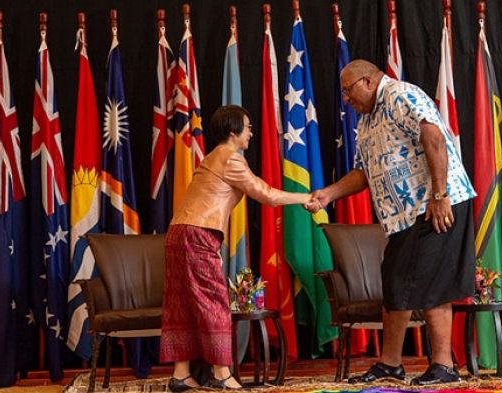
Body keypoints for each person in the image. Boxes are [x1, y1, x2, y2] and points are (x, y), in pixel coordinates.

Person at [307, 59, 477, 385]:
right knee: (395, 283)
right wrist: (328, 194)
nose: (345, 99)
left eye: (348, 90)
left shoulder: (401, 96)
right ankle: (391, 365)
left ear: (368, 82)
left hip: (437, 204)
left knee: (430, 283)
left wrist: (439, 195)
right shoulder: (367, 121)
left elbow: (434, 137)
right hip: (403, 218)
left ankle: (442, 366)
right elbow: (362, 173)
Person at [160, 105, 315, 391]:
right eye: (248, 127)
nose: (252, 133)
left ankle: (181, 374)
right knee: (213, 302)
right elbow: (266, 195)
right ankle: (221, 374)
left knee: (182, 304)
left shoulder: (211, 157)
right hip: (198, 233)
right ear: (233, 133)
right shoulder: (231, 159)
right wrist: (306, 197)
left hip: (178, 232)